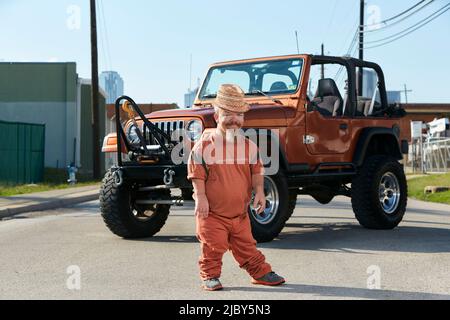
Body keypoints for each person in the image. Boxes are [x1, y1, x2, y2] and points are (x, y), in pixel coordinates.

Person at [187, 83, 285, 291]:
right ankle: (210, 275)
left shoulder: (249, 146)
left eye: (239, 115)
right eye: (228, 114)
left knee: (247, 246)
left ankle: (260, 272)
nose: (234, 119)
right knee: (213, 246)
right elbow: (197, 173)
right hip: (212, 213)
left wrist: (259, 191)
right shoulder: (205, 145)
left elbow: (256, 171)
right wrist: (201, 196)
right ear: (216, 116)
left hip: (240, 214)